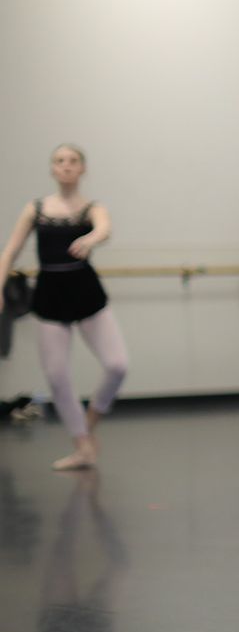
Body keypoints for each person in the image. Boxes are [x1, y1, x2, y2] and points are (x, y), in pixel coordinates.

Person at [0, 145, 129, 470]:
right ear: (53, 169)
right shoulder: (37, 208)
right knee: (57, 376)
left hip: (86, 292)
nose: (66, 166)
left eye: (73, 161)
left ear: (83, 169)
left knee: (117, 365)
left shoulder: (91, 208)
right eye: (60, 161)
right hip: (50, 294)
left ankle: (90, 421)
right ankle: (82, 444)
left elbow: (104, 227)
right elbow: (10, 251)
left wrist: (92, 239)